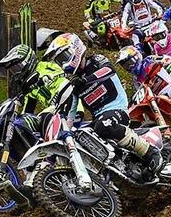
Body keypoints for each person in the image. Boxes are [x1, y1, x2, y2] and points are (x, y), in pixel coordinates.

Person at [45, 34, 164, 175]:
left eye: (63, 57)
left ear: (75, 49)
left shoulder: (96, 60)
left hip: (117, 109)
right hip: (99, 118)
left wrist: (86, 80)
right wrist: (65, 134)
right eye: (59, 61)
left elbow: (108, 70)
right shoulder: (76, 83)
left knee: (103, 125)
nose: (63, 63)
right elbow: (71, 114)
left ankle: (150, 151)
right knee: (82, 137)